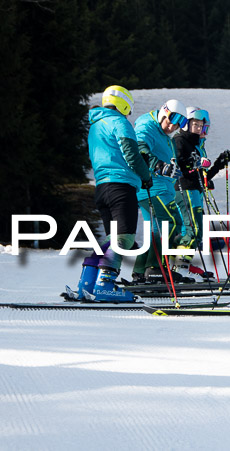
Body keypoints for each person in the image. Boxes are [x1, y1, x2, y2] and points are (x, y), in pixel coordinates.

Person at [67, 85, 151, 302]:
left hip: (102, 188)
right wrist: (145, 175)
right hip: (121, 187)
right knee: (124, 238)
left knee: (113, 240)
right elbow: (131, 154)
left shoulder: (95, 125)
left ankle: (86, 283)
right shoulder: (119, 122)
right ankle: (105, 285)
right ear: (124, 104)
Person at [132, 99, 188, 283]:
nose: (173, 126)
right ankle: (156, 268)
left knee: (154, 230)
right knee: (172, 222)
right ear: (164, 112)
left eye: (179, 124)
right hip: (153, 188)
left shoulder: (163, 133)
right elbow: (139, 148)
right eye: (171, 119)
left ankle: (141, 271)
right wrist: (159, 166)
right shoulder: (147, 126)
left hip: (160, 188)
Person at [172, 106, 230, 274]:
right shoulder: (180, 140)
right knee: (195, 230)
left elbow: (203, 176)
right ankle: (180, 266)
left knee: (191, 230)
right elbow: (178, 164)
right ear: (186, 124)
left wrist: (219, 164)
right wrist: (193, 164)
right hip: (185, 189)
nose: (200, 129)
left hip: (195, 190)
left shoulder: (197, 145)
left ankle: (183, 265)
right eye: (196, 125)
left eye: (203, 126)